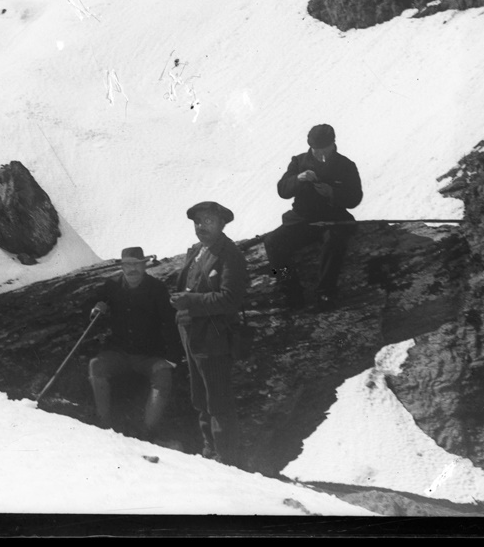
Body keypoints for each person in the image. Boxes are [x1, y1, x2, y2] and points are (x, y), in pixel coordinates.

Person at [171, 201, 250, 467]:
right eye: (197, 221)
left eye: (208, 221)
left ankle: (227, 460)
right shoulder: (196, 251)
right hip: (192, 336)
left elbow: (230, 299)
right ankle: (209, 452)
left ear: (222, 224)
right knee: (200, 398)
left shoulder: (230, 255)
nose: (201, 226)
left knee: (219, 402)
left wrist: (190, 301)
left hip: (215, 339)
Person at [85, 247, 184, 440]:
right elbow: (97, 300)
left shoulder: (157, 289)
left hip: (149, 356)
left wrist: (172, 359)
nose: (132, 269)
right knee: (96, 366)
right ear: (121, 266)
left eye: (136, 264)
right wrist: (97, 308)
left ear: (144, 265)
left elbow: (172, 323)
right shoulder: (112, 285)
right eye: (127, 265)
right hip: (119, 353)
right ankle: (104, 424)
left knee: (163, 377)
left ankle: (147, 431)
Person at [262, 123, 363, 312]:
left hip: (333, 219)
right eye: (316, 150)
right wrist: (298, 179)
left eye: (324, 149)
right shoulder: (299, 162)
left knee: (334, 241)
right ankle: (289, 290)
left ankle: (326, 292)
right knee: (272, 243)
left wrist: (332, 193)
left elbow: (355, 198)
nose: (320, 154)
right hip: (303, 220)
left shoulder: (346, 166)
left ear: (333, 144)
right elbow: (282, 190)